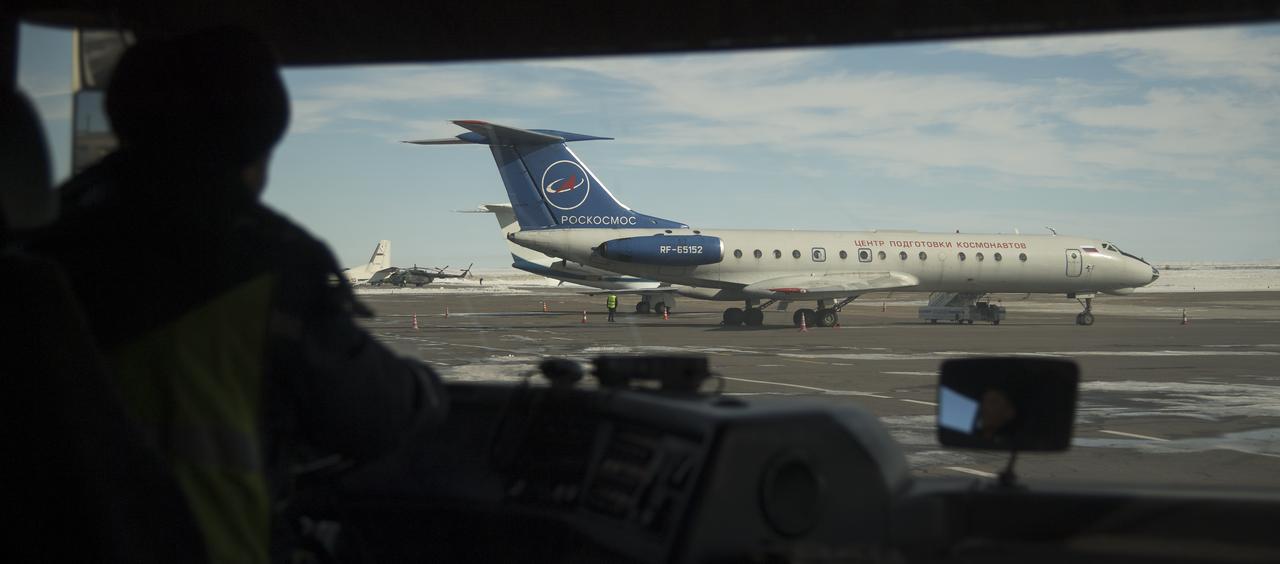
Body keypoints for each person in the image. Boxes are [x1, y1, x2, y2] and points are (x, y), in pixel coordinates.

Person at [33, 27, 447, 563]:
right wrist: (426, 392)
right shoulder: (262, 267)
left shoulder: (43, 247)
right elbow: (369, 415)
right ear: (261, 136)